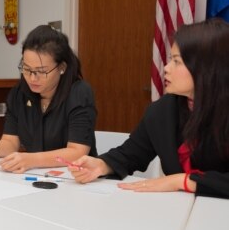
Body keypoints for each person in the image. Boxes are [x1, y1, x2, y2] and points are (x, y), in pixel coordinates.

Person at [69, 18, 229, 199]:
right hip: (179, 212)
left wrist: (182, 181)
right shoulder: (163, 111)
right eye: (170, 60)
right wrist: (100, 165)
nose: (166, 68)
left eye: (177, 61)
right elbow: (131, 154)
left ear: (206, 68)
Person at [0, 25, 97, 172]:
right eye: (27, 69)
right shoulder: (19, 93)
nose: (32, 78)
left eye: (41, 71)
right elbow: (11, 141)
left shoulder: (79, 93)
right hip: (35, 178)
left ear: (62, 67)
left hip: (75, 178)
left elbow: (77, 152)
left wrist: (30, 160)